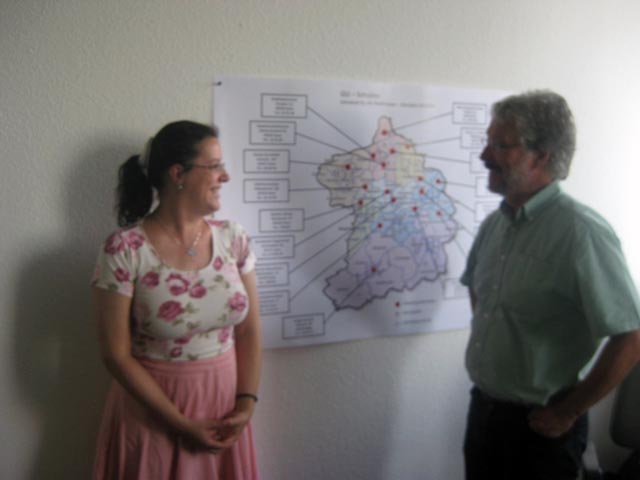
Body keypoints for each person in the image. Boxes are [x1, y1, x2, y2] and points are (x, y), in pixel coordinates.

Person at [461, 90, 640, 479]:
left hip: (541, 429)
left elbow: (630, 336)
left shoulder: (581, 233)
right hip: (483, 413)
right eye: (488, 142)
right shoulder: (495, 225)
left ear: (541, 156)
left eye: (500, 145)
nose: (485, 155)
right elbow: (479, 291)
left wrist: (568, 412)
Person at [90, 120, 262, 479]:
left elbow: (249, 330)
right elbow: (115, 355)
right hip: (153, 414)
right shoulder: (125, 249)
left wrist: (247, 402)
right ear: (177, 174)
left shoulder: (233, 238)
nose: (225, 176)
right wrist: (181, 424)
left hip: (224, 408)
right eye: (214, 166)